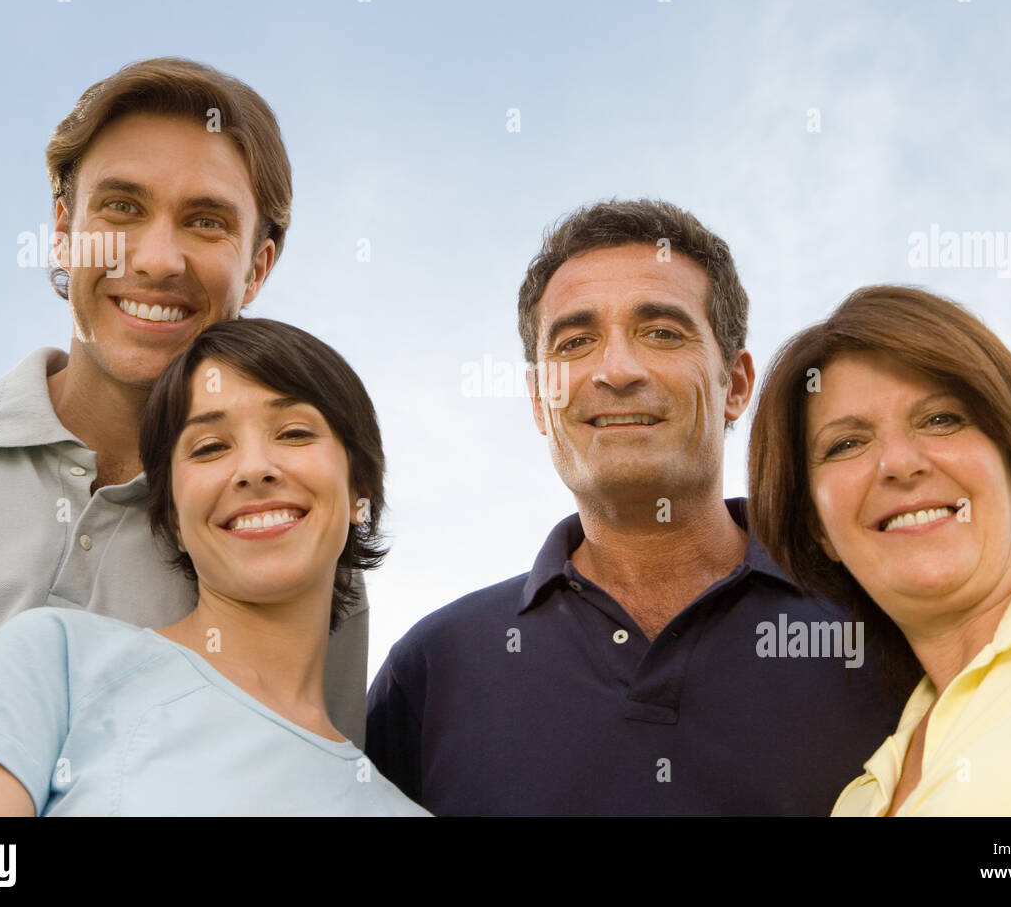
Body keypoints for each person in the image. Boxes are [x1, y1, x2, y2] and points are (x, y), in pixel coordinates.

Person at [0, 58, 369, 816]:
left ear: (257, 266)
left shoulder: (288, 555)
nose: (157, 259)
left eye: (206, 221)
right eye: (122, 208)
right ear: (63, 233)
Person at [365, 199, 911, 815]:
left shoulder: (884, 618)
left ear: (734, 385)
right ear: (541, 403)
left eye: (661, 333)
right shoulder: (434, 668)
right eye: (575, 342)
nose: (616, 370)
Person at [0, 319, 426, 816]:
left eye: (294, 434)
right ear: (171, 516)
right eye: (211, 447)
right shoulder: (56, 662)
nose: (255, 469)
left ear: (360, 490)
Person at [747, 284, 1011, 816]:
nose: (900, 462)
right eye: (846, 444)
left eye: (941, 419)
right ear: (818, 529)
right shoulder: (859, 800)